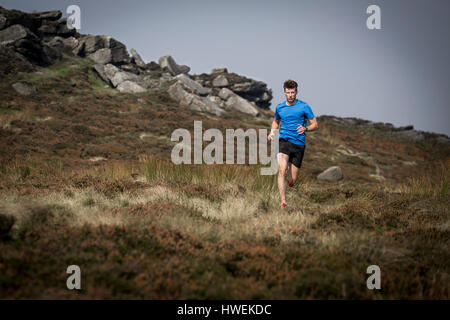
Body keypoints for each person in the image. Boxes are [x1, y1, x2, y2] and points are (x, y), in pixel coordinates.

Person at [267, 80, 318, 209]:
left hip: (299, 144)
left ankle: (290, 179)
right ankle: (283, 202)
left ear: (296, 92)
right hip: (284, 141)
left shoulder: (304, 107)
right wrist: (272, 132)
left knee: (292, 179)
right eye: (288, 92)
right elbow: (275, 122)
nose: (290, 95)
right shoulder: (280, 107)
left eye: (293, 92)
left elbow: (315, 124)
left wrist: (306, 129)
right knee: (282, 171)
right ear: (284, 92)